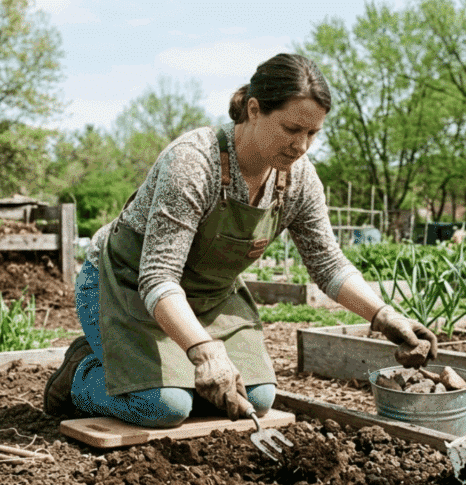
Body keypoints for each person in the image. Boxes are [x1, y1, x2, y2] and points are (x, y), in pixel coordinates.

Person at [44, 53, 438, 428]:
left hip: (209, 297)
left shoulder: (298, 180)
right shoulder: (194, 163)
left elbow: (329, 265)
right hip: (125, 288)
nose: (301, 146)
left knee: (258, 397)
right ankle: (81, 375)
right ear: (254, 109)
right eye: (291, 129)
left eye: (312, 133)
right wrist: (205, 351)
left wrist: (384, 317)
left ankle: (159, 372)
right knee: (164, 406)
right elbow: (158, 278)